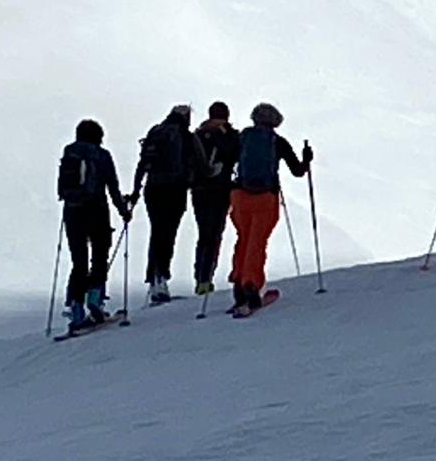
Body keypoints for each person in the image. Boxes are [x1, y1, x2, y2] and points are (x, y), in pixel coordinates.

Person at [228, 103, 312, 316]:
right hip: (265, 198)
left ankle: (238, 286)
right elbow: (298, 171)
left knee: (243, 239)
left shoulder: (243, 138)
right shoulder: (277, 142)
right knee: (257, 242)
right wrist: (307, 158)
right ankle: (251, 286)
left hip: (240, 196)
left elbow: (229, 160)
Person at [56, 119, 130, 331]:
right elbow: (112, 187)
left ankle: (76, 308)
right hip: (97, 211)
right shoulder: (102, 155)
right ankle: (95, 299)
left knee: (78, 261)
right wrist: (123, 211)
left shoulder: (69, 152)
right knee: (99, 255)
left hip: (72, 211)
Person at [132, 104, 203, 304]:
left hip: (152, 188)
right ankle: (161, 278)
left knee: (156, 232)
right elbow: (200, 163)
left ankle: (154, 279)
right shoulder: (187, 136)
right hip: (175, 190)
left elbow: (143, 163)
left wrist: (135, 191)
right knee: (168, 234)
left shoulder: (155, 132)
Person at [191, 101, 242, 297]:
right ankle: (206, 277)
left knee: (204, 233)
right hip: (221, 188)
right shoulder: (228, 134)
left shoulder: (197, 134)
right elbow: (234, 156)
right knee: (215, 234)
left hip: (198, 189)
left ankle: (200, 277)